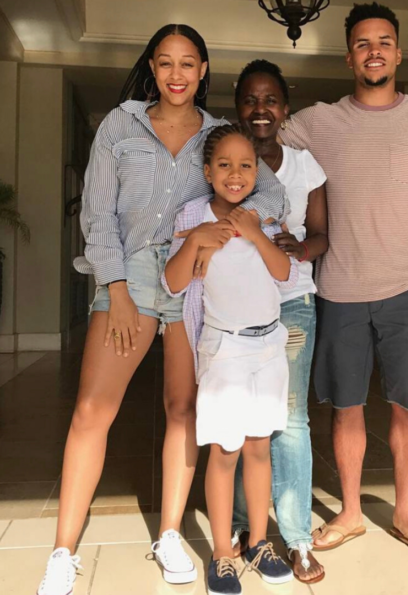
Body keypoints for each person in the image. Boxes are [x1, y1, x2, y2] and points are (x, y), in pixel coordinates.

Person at [36, 25, 287, 595]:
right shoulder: (120, 126)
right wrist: (118, 289)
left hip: (192, 278)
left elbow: (270, 194)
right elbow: (98, 214)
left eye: (188, 63)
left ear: (203, 71)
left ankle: (170, 534)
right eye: (166, 62)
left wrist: (222, 230)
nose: (177, 74)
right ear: (152, 67)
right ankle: (62, 551)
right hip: (130, 276)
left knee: (183, 409)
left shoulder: (217, 135)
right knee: (92, 409)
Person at [279, 2, 408, 559]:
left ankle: (404, 515)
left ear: (398, 53)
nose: (373, 51)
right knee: (346, 406)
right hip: (339, 290)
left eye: (383, 41)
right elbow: (258, 143)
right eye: (362, 43)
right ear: (349, 57)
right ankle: (352, 513)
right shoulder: (316, 122)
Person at [163, 124, 295, 595]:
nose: (235, 174)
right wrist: (199, 239)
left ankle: (258, 542)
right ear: (207, 172)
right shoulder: (193, 216)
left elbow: (283, 272)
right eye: (224, 165)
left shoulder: (264, 219)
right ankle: (222, 552)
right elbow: (173, 283)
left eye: (245, 165)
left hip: (269, 347)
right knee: (225, 452)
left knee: (259, 447)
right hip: (224, 350)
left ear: (257, 172)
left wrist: (255, 232)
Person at [228, 59, 328, 584]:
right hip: (235, 305)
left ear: (285, 109)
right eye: (250, 99)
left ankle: (297, 538)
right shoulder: (226, 159)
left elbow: (322, 234)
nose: (260, 109)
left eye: (270, 100)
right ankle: (243, 525)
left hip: (291, 303)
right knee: (238, 414)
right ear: (237, 107)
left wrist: (300, 248)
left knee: (289, 418)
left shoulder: (305, 166)